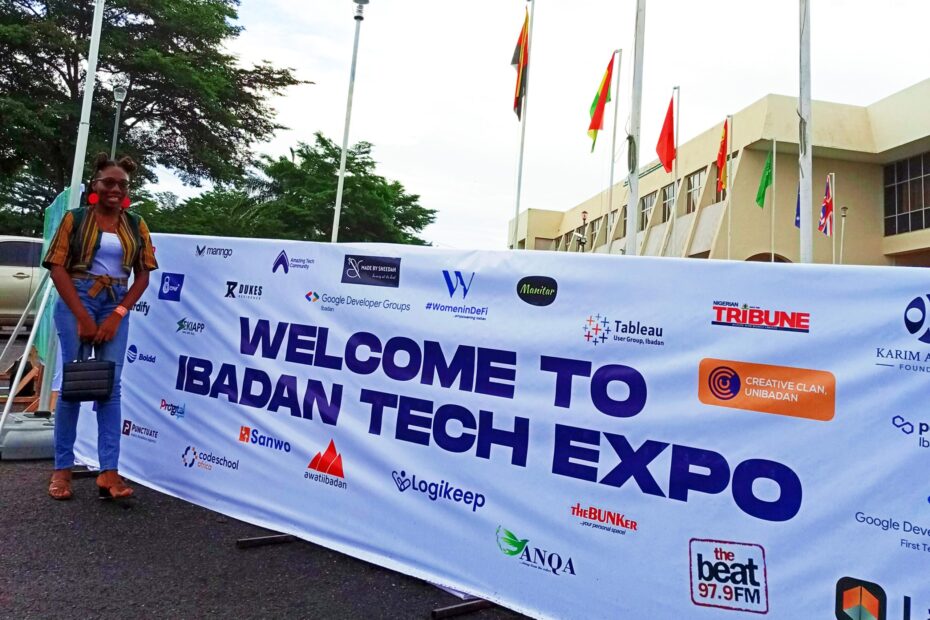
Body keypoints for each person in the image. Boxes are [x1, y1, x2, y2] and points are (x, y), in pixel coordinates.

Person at [43, 153, 158, 501]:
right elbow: (57, 267)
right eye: (109, 182)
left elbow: (144, 274)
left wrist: (116, 315)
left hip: (115, 301)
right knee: (73, 386)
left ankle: (109, 472)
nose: (115, 189)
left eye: (122, 184)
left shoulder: (135, 223)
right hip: (77, 298)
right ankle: (62, 471)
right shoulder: (75, 219)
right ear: (95, 185)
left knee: (111, 387)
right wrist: (83, 317)